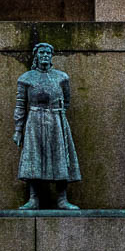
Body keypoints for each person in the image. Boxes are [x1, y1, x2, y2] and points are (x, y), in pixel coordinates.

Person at [14, 43, 80, 209]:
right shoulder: (26, 78)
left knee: (60, 157)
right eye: (41, 52)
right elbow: (20, 106)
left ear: (52, 56)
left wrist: (56, 116)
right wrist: (17, 130)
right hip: (34, 121)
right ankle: (33, 198)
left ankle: (62, 199)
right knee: (33, 158)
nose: (45, 55)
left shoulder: (61, 77)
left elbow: (67, 100)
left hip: (56, 121)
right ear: (36, 55)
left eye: (48, 53)